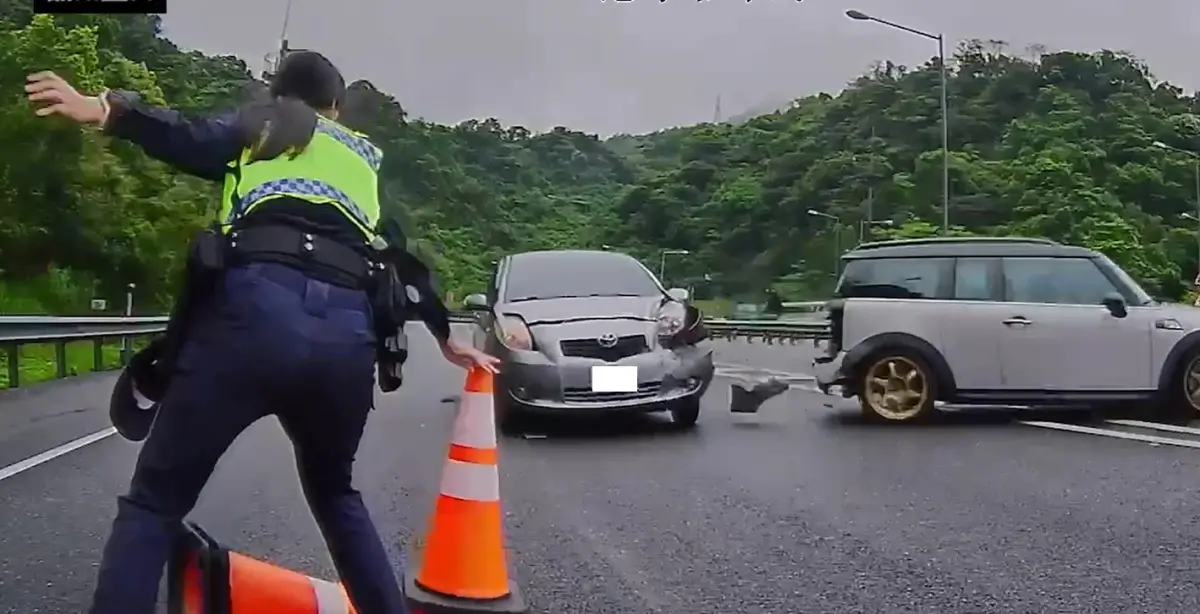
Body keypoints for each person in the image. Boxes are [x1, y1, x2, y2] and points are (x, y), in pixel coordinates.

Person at [26, 51, 498, 614]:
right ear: (337, 108)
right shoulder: (363, 158)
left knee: (154, 504)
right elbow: (398, 256)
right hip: (344, 339)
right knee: (336, 493)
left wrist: (105, 110)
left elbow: (186, 135)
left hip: (251, 319)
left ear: (278, 95)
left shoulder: (263, 124)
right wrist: (447, 337)